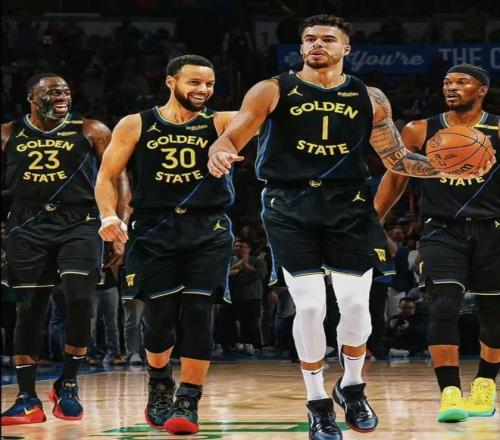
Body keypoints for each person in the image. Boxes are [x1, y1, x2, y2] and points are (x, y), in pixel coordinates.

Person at [207, 16, 492, 439]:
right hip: (289, 204)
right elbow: (231, 137)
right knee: (310, 307)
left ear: (346, 49)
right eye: (309, 39)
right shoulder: (272, 89)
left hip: (350, 205)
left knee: (357, 307)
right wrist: (219, 151)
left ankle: (352, 386)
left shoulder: (369, 98)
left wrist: (445, 167)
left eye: (327, 39)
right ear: (300, 47)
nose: (316, 45)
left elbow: (397, 159)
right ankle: (317, 402)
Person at [95, 55, 239, 435]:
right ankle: (159, 382)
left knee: (198, 313)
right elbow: (107, 175)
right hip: (154, 228)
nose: (203, 90)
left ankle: (189, 400)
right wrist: (108, 215)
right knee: (159, 320)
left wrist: (227, 145)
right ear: (171, 82)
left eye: (209, 84)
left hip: (208, 227)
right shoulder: (136, 123)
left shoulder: (222, 122)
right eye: (195, 82)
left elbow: (267, 113)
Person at [1, 73, 129, 425]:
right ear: (31, 98)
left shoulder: (91, 130)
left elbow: (116, 176)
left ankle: (68, 383)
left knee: (80, 299)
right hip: (27, 224)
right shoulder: (9, 133)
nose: (61, 97)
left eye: (65, 91)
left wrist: (120, 223)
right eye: (52, 92)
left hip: (81, 221)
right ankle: (27, 398)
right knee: (29, 309)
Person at [375, 63, 499, 423]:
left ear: (482, 90)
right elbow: (396, 177)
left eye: (462, 82)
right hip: (441, 229)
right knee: (443, 307)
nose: (451, 87)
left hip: (493, 229)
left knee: (494, 318)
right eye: (447, 82)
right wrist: (373, 220)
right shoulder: (420, 130)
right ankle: (449, 393)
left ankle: (485, 385)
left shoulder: (497, 128)